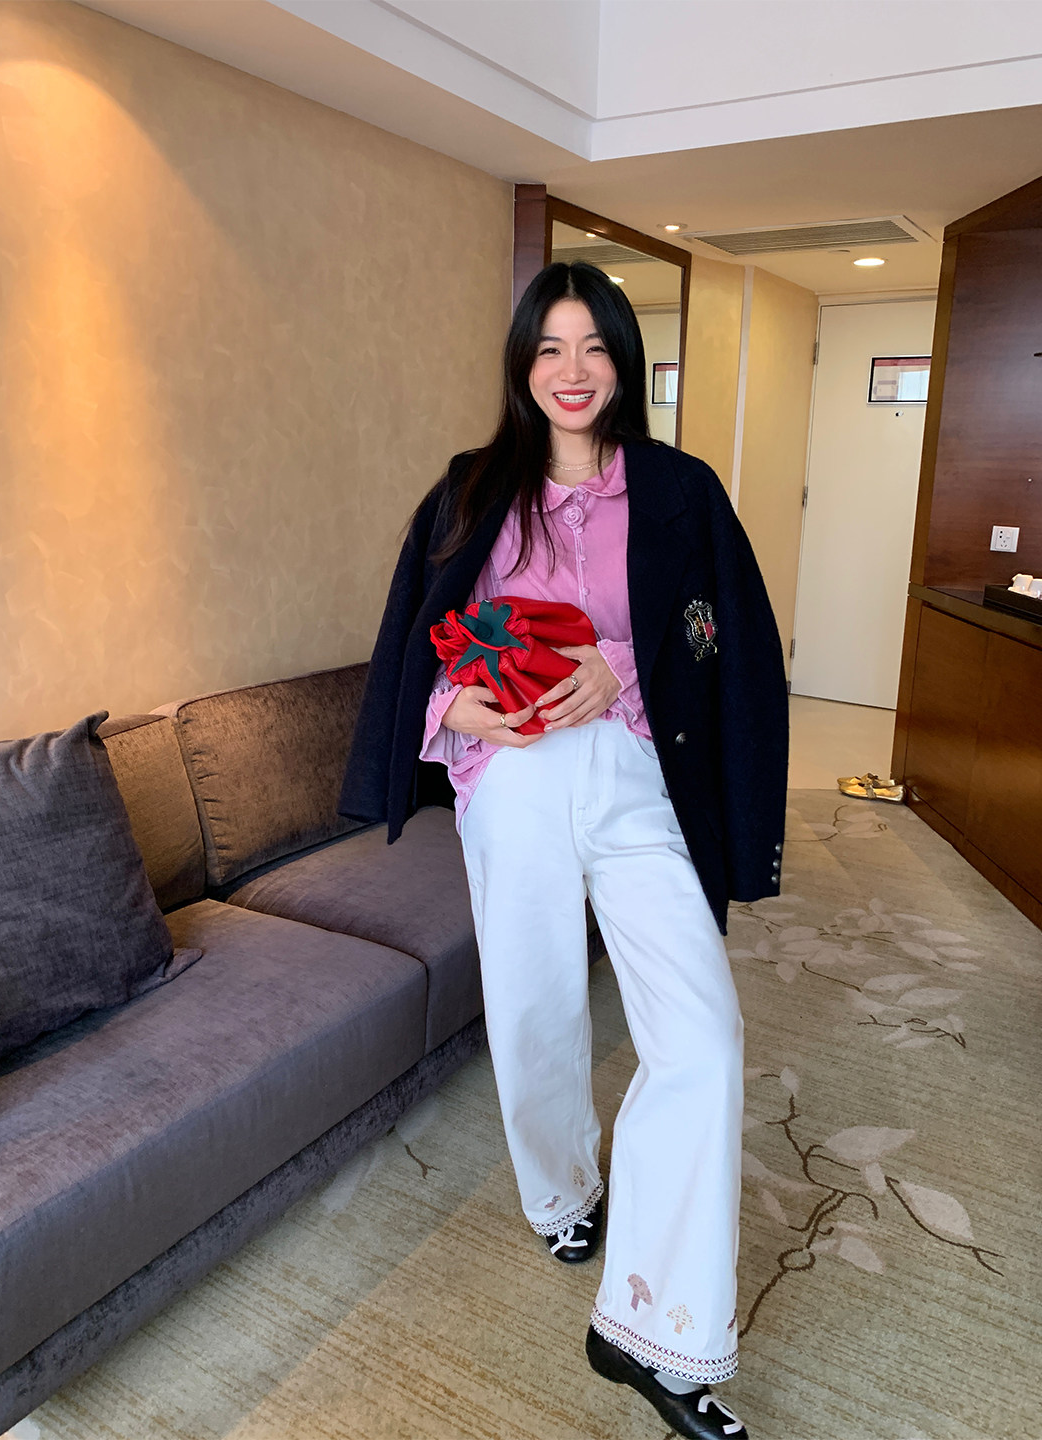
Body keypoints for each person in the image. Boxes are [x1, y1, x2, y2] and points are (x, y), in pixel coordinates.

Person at [339, 260, 788, 1440]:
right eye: (549, 348)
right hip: (516, 781)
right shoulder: (470, 489)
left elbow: (721, 637)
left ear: (625, 361)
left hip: (637, 775)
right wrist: (455, 708)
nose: (572, 371)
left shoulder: (680, 490)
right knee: (535, 1007)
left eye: (593, 347)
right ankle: (563, 1196)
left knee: (701, 1033)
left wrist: (617, 668)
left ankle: (647, 1324)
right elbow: (416, 638)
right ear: (522, 365)